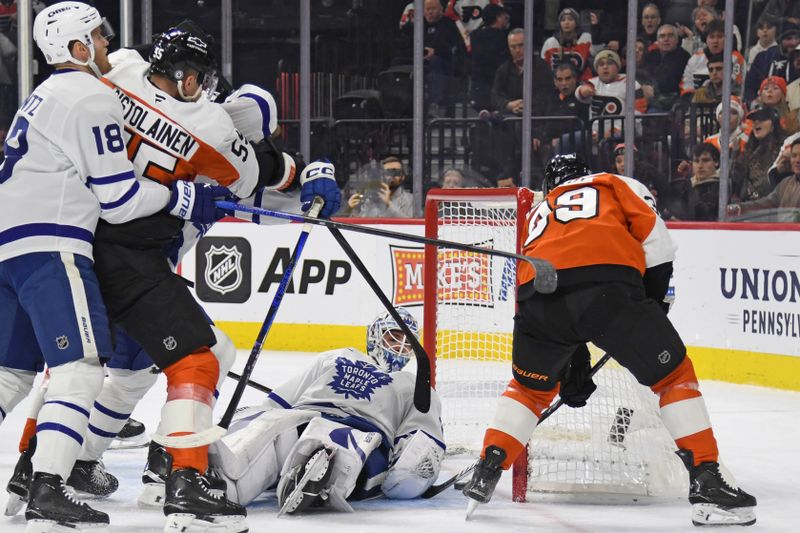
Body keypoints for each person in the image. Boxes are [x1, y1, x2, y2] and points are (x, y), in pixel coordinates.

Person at [0, 3, 230, 530]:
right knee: (80, 370)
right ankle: (48, 485)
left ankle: (41, 473)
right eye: (98, 38)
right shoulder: (90, 96)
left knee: (9, 373)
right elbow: (120, 200)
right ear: (78, 49)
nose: (106, 46)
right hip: (52, 243)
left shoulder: (41, 95)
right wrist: (183, 199)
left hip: (7, 244)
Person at [461, 153, 757, 526]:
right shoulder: (612, 184)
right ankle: (707, 482)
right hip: (607, 290)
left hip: (536, 301)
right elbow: (657, 243)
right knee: (673, 377)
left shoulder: (541, 209)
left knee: (527, 390)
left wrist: (569, 353)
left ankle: (487, 466)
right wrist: (647, 304)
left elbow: (555, 272)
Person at [208, 309, 444, 513]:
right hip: (306, 416)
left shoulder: (412, 384)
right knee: (272, 429)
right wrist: (248, 425)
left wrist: (409, 473)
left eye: (407, 341)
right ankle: (221, 484)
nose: (400, 346)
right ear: (375, 335)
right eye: (393, 337)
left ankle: (316, 476)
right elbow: (277, 403)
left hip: (364, 432)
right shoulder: (338, 356)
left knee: (346, 446)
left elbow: (422, 438)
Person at [575, 49, 647, 141]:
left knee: (609, 142)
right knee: (566, 141)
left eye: (609, 63)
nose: (605, 67)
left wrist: (615, 131)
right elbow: (579, 96)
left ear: (617, 66)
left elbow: (639, 112)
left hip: (624, 133)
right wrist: (581, 91)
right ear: (597, 69)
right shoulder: (593, 83)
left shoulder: (631, 83)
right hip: (594, 133)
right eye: (601, 64)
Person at [728, 137, 800, 221]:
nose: (797, 160)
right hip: (783, 232)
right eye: (794, 156)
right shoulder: (786, 183)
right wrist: (740, 207)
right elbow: (767, 203)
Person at [680, 19, 745, 100]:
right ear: (706, 39)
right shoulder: (695, 58)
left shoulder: (736, 58)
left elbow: (738, 85)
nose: (715, 41)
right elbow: (686, 84)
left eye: (720, 36)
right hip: (698, 103)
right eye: (711, 37)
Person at [732, 106, 783, 203]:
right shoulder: (750, 148)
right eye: (754, 120)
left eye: (762, 119)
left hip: (772, 206)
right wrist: (735, 153)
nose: (756, 122)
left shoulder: (782, 149)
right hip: (748, 205)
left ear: (773, 124)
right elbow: (735, 178)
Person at [468, 3, 510, 113]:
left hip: (477, 86)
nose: (506, 18)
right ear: (498, 18)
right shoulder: (504, 38)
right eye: (504, 16)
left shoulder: (474, 36)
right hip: (497, 85)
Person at [643, 24, 690, 111]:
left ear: (677, 40)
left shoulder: (683, 56)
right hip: (649, 99)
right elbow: (643, 75)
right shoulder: (651, 55)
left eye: (670, 36)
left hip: (673, 100)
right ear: (657, 40)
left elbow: (670, 81)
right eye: (662, 36)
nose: (666, 39)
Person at [345, 156, 413, 217]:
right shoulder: (373, 198)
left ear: (403, 176)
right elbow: (362, 223)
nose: (390, 176)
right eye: (387, 172)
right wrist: (351, 209)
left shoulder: (410, 199)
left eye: (395, 172)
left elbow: (412, 225)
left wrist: (389, 204)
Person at [540, 8, 592, 81]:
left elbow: (596, 54)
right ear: (559, 23)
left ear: (576, 23)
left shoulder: (586, 38)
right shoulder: (550, 43)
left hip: (582, 85)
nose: (566, 22)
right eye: (563, 20)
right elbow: (543, 67)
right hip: (556, 86)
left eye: (570, 19)